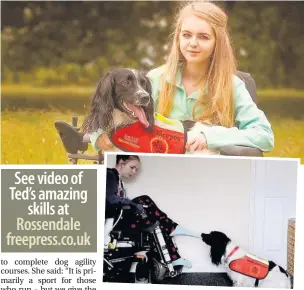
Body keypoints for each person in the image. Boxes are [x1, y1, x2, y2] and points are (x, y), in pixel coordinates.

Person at [91, 1, 274, 153]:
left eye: (203, 37)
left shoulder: (232, 85)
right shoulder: (154, 79)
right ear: (178, 37)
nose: (192, 43)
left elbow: (264, 135)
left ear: (218, 42)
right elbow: (115, 110)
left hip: (211, 173)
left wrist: (210, 137)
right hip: (158, 171)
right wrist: (96, 135)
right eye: (186, 35)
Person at [104, 154, 200, 268]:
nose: (134, 172)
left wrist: (133, 205)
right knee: (144, 200)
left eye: (136, 169)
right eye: (132, 167)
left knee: (155, 224)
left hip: (118, 221)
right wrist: (133, 204)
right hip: (112, 223)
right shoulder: (109, 174)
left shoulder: (119, 181)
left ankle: (174, 257)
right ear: (122, 163)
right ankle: (172, 229)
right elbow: (111, 199)